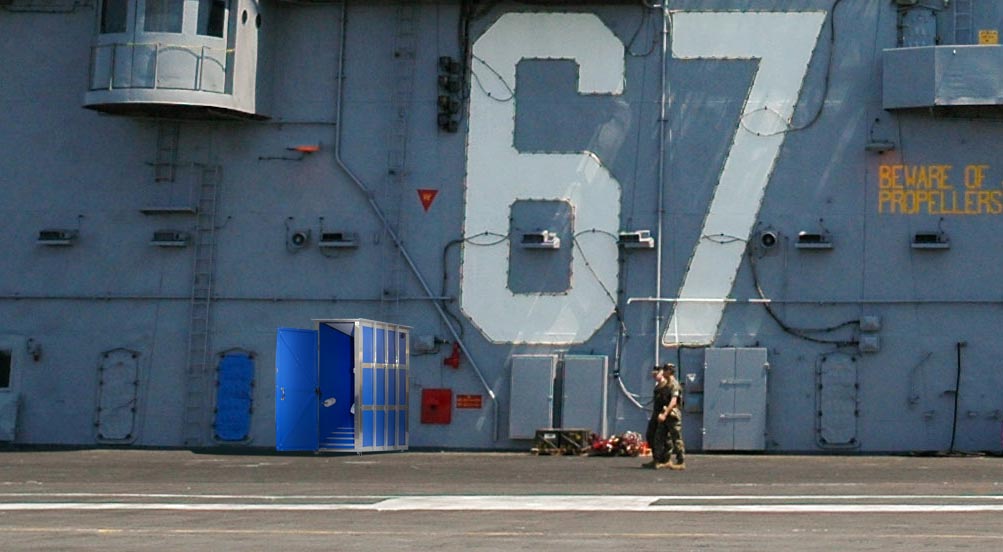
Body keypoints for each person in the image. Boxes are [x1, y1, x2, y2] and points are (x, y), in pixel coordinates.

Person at [642, 363, 686, 470]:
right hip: (664, 415)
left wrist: (665, 414)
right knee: (658, 437)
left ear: (670, 372)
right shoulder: (666, 384)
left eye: (665, 370)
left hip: (672, 416)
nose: (663, 372)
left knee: (676, 439)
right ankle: (657, 460)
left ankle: (681, 461)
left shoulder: (674, 385)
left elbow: (673, 401)